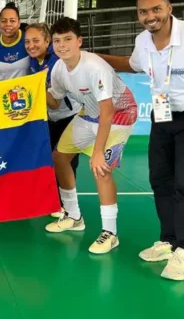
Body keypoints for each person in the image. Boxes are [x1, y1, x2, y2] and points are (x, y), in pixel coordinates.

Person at [98, 0, 184, 281]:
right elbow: (130, 65)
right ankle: (168, 240)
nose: (150, 16)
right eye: (144, 11)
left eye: (156, 9)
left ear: (169, 8)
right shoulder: (143, 42)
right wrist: (92, 56)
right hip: (162, 116)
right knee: (160, 180)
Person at [44, 17, 138, 255]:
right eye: (57, 41)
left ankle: (110, 233)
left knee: (101, 168)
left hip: (119, 115)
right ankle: (74, 217)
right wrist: (34, 89)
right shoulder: (58, 69)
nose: (62, 45)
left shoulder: (94, 67)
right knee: (59, 157)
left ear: (79, 41)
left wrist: (97, 153)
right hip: (90, 114)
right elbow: (54, 103)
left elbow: (107, 112)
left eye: (68, 39)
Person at [24, 22, 80, 216]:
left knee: (66, 161)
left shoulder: (57, 62)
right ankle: (55, 201)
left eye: (36, 41)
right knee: (50, 158)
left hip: (70, 117)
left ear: (47, 41)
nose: (31, 45)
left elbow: (55, 102)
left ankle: (68, 208)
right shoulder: (34, 61)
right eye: (27, 41)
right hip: (51, 118)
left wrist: (35, 85)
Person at [0, 2, 30, 82]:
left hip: (27, 92)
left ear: (19, 23)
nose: (8, 24)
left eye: (12, 21)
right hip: (4, 93)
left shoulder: (28, 40)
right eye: (4, 21)